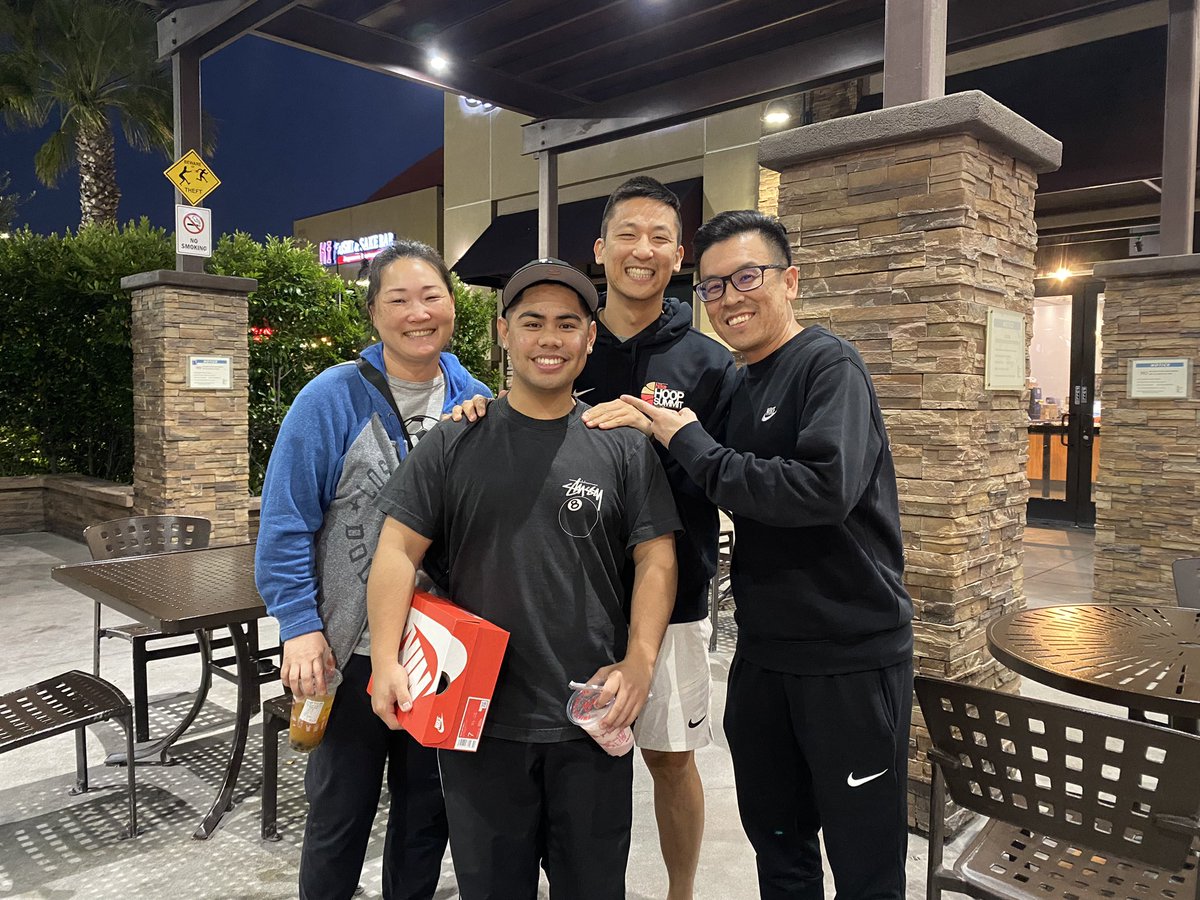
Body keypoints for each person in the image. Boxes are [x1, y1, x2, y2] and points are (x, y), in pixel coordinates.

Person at [366, 258, 680, 900]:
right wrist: (386, 661)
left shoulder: (620, 444)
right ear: (503, 332)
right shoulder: (456, 438)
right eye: (532, 322)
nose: (549, 339)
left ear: (589, 338)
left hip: (590, 716)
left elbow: (657, 556)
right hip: (477, 720)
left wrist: (641, 660)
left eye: (567, 323)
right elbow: (397, 548)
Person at [623, 210, 915, 900]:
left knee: (866, 864)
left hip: (848, 656)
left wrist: (688, 439)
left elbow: (822, 490)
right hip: (764, 655)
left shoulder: (828, 364)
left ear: (790, 281)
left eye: (746, 277)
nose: (730, 298)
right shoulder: (742, 381)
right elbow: (706, 473)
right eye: (713, 287)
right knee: (779, 850)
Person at [255, 239, 493, 900]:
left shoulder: (476, 399)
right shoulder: (329, 399)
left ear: (453, 305)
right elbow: (285, 522)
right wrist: (299, 627)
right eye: (399, 299)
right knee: (339, 816)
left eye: (432, 296)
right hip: (348, 650)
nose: (419, 313)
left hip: (440, 652)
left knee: (426, 818)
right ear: (373, 313)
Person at [578, 176, 737, 900]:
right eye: (628, 234)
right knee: (577, 762)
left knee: (671, 758)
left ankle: (680, 893)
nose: (642, 250)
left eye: (660, 238)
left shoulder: (708, 363)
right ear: (600, 248)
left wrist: (666, 432)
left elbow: (731, 476)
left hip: (675, 594)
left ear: (679, 257)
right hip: (572, 596)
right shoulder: (567, 343)